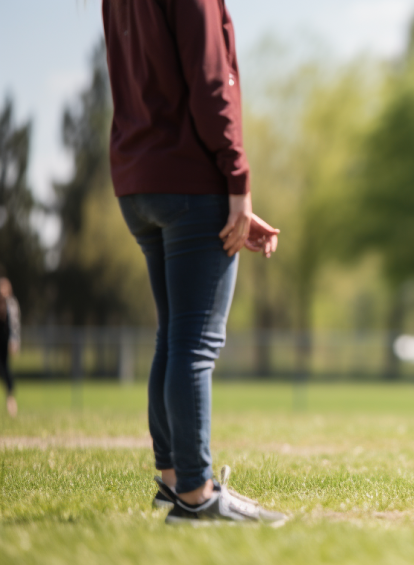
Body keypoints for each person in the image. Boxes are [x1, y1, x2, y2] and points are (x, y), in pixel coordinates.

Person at [103, 0, 284, 525]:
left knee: (173, 336)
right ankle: (198, 494)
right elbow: (211, 84)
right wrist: (237, 183)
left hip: (139, 182)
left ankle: (173, 483)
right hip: (187, 182)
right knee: (194, 344)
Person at [1, 277, 20, 418]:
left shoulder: (12, 305)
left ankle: (11, 401)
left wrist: (14, 341)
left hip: (5, 341)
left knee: (5, 369)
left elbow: (15, 325)